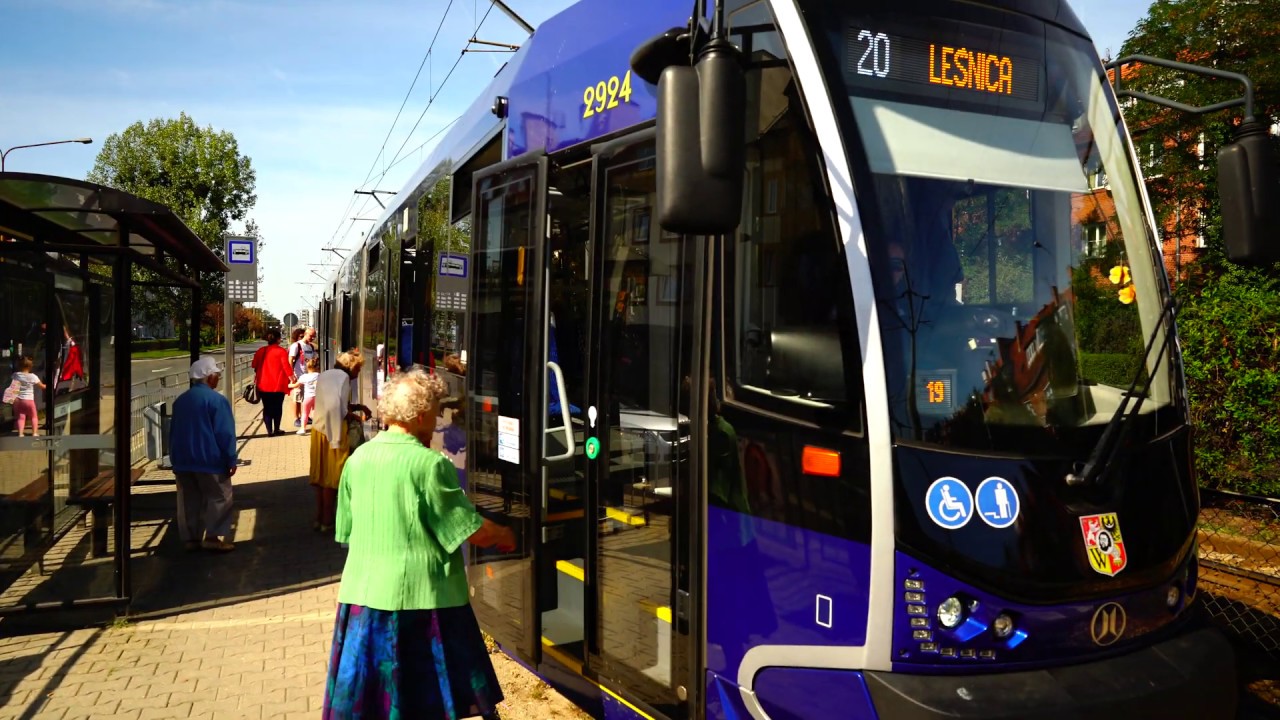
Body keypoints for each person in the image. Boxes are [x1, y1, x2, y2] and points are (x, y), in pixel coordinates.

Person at [323, 367, 515, 720]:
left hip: (361, 600)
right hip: (422, 603)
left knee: (375, 702)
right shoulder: (429, 466)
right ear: (422, 414)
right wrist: (506, 534)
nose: (438, 417)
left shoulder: (357, 460)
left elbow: (345, 531)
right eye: (437, 409)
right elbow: (468, 529)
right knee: (420, 698)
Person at [169, 357, 238, 552]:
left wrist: (175, 458)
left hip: (183, 460)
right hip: (210, 459)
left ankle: (191, 539)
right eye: (216, 375)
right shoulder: (217, 401)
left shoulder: (181, 401)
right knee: (219, 497)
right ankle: (213, 537)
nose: (218, 378)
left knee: (189, 499)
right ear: (209, 378)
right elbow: (224, 433)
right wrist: (231, 458)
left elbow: (173, 432)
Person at [310, 350, 371, 533]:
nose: (358, 373)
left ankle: (319, 518)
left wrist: (357, 407)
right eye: (358, 369)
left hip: (318, 431)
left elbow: (331, 402)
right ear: (352, 367)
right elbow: (336, 407)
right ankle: (328, 522)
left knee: (321, 479)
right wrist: (352, 417)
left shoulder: (326, 374)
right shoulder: (344, 379)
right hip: (333, 432)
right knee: (332, 479)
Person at [252, 329, 294, 436]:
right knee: (277, 407)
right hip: (278, 385)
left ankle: (269, 431)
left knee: (267, 407)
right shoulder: (281, 351)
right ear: (278, 339)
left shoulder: (261, 350)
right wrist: (293, 379)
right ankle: (276, 429)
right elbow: (286, 367)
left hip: (263, 384)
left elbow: (254, 366)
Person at [289, 327, 318, 428]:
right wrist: (292, 376)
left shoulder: (311, 347)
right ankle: (296, 418)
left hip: (308, 376)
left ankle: (303, 416)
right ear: (305, 334)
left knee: (305, 398)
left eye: (314, 336)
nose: (312, 338)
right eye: (311, 336)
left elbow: (313, 359)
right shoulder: (296, 346)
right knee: (297, 398)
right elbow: (290, 360)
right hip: (298, 375)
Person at [10, 356, 45, 437]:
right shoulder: (33, 376)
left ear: (19, 365)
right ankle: (35, 433)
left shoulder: (15, 375)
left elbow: (13, 387)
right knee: (34, 416)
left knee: (21, 417)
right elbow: (42, 386)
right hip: (29, 400)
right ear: (30, 366)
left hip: (18, 400)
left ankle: (20, 433)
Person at [290, 358, 321, 435]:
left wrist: (289, 385)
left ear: (307, 367)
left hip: (308, 397)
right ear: (317, 367)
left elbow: (295, 385)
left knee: (305, 413)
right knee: (314, 412)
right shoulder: (319, 375)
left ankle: (303, 428)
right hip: (317, 397)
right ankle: (317, 427)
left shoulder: (304, 377)